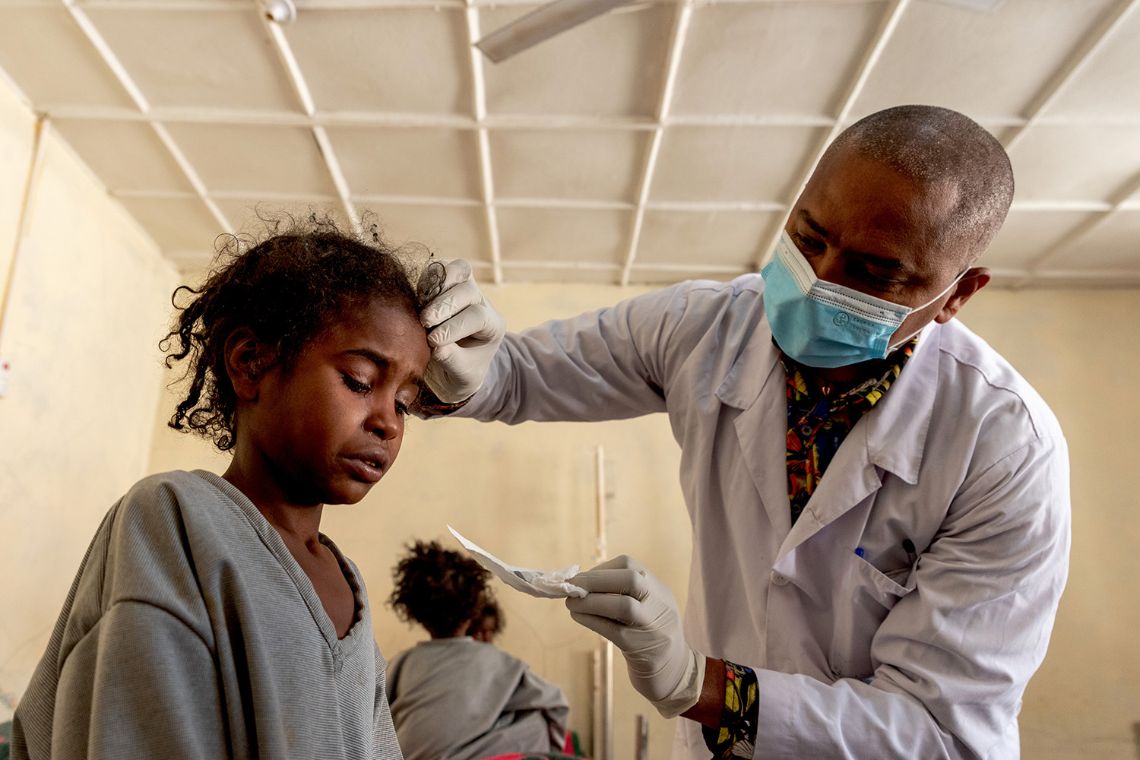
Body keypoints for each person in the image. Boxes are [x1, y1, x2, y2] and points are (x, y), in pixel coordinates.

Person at [417, 105, 1071, 759]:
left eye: (874, 275)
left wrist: (698, 684)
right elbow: (523, 374)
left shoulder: (1004, 448)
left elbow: (941, 734)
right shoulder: (705, 328)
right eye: (809, 239)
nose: (818, 282)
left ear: (957, 294)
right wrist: (455, 358)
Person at [11, 218, 439, 759]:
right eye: (358, 380)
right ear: (250, 363)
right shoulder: (175, 520)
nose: (389, 422)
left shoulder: (345, 584)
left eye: (403, 402)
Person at [385, 541, 570, 760]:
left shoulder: (402, 662)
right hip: (478, 755)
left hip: (409, 754)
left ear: (415, 613)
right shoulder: (499, 661)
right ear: (474, 612)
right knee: (538, 719)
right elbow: (556, 704)